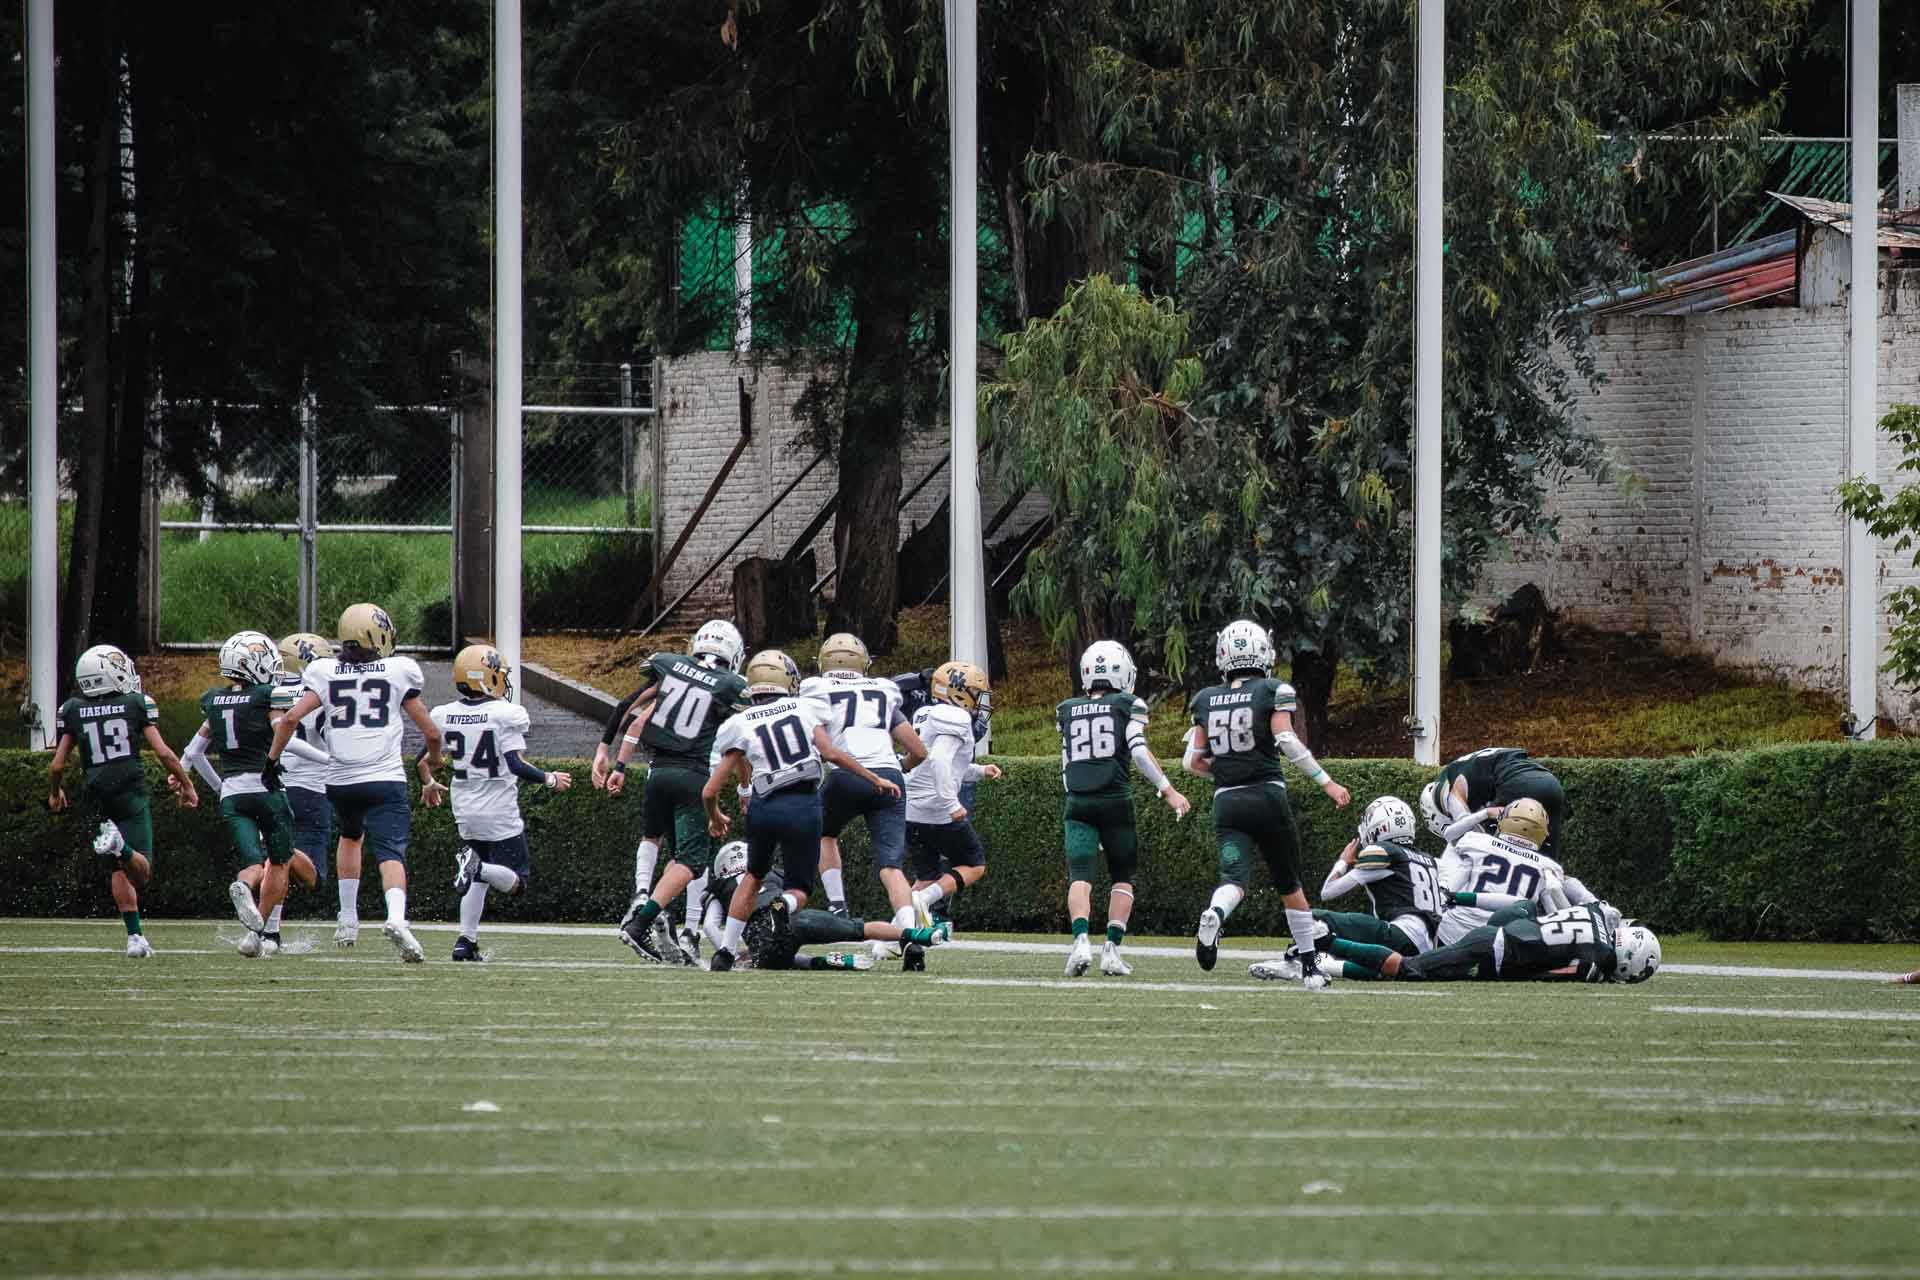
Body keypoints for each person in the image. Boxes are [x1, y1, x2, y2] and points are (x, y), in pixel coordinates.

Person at [700, 650, 903, 971]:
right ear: (788, 681)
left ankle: (725, 951)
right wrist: (874, 777)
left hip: (764, 806)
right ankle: (783, 904)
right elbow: (832, 754)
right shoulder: (806, 708)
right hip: (803, 805)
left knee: (752, 877)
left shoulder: (738, 723)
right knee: (800, 889)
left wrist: (715, 816)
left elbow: (709, 790)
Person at [1181, 619, 1351, 989]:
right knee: (1290, 885)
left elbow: (1191, 762)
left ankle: (1215, 913)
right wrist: (1327, 782)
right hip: (1267, 797)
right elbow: (1287, 740)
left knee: (1234, 879)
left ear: (1223, 654)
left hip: (1227, 803)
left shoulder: (1206, 698)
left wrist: (1227, 770)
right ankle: (1310, 969)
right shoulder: (1274, 689)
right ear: (1263, 651)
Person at [268, 602, 443, 962]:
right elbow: (431, 732)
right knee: (391, 852)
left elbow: (289, 721)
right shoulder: (399, 670)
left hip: (340, 782)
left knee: (350, 836)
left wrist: (271, 762)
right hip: (384, 778)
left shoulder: (324, 671)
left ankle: (347, 919)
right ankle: (397, 918)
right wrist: (434, 760)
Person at [609, 619, 750, 962]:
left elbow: (633, 714)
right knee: (692, 860)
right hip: (695, 776)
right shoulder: (732, 685)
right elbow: (741, 745)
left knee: (660, 844)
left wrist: (616, 762)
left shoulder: (671, 667)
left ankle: (646, 899)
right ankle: (654, 924)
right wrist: (745, 787)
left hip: (658, 771)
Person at [46, 644, 199, 957]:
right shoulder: (135, 703)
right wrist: (186, 784)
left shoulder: (72, 709)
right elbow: (164, 753)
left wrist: (55, 791)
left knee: (117, 870)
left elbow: (58, 764)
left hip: (95, 792)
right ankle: (122, 847)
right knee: (140, 871)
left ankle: (134, 937)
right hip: (129, 788)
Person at [422, 644, 572, 962]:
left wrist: (428, 782)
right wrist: (550, 778)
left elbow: (425, 760)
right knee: (518, 882)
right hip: (498, 811)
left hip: (464, 810)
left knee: (478, 879)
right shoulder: (505, 715)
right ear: (486, 677)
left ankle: (465, 942)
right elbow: (516, 765)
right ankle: (477, 867)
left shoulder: (444, 714)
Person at [181, 631, 326, 957]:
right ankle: (258, 933)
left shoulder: (214, 699)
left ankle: (245, 890)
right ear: (253, 665)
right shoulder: (266, 695)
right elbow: (286, 735)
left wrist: (218, 787)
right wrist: (328, 760)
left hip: (232, 795)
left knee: (253, 863)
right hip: (266, 789)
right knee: (279, 860)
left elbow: (193, 753)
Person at [1056, 640, 1190, 978]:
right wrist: (1168, 790)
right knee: (1123, 876)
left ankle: (1080, 942)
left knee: (1080, 876)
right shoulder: (1127, 704)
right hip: (1115, 801)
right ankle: (1111, 951)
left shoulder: (1067, 709)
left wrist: (1076, 796)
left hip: (1078, 802)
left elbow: (1065, 765)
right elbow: (1139, 752)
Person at [799, 632, 926, 936]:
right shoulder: (882, 692)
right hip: (889, 777)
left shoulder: (815, 689)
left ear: (823, 662)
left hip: (845, 775)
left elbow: (816, 743)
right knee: (891, 867)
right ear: (864, 663)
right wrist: (899, 767)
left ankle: (838, 905)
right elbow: (919, 751)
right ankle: (910, 933)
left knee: (825, 834)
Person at [1249, 795, 1443, 982]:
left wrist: (1342, 862)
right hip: (1426, 947)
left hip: (1401, 935)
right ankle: (1325, 965)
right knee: (1376, 965)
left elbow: (1328, 891)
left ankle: (1298, 961)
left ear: (1377, 827)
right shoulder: (1428, 859)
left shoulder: (1384, 853)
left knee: (1310, 918)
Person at [703, 842, 948, 971]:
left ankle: (820, 962)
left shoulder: (721, 886)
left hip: (764, 937)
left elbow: (710, 926)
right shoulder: (768, 873)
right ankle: (918, 935)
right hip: (798, 921)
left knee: (769, 958)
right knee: (859, 929)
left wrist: (729, 954)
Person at [1326, 898, 1661, 984]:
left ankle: (1328, 963)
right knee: (1405, 969)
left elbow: (1551, 901)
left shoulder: (1595, 912)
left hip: (1501, 934)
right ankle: (1326, 943)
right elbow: (1549, 976)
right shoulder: (1601, 956)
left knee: (1410, 971)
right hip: (1492, 951)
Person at [904, 662, 1002, 933]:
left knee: (926, 877)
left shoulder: (926, 712)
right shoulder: (955, 717)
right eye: (976, 693)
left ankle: (889, 939)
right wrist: (951, 803)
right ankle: (926, 899)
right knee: (973, 865)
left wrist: (980, 771)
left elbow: (945, 763)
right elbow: (939, 760)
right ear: (960, 692)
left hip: (910, 810)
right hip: (936, 810)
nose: (979, 700)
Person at [1433, 798, 1580, 946]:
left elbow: (1449, 835)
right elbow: (1556, 915)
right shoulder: (1547, 866)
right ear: (1542, 833)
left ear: (1504, 821)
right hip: (1501, 942)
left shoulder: (1479, 842)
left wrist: (1485, 813)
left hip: (1454, 929)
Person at [1418, 745, 1568, 857]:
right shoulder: (1462, 767)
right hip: (1551, 783)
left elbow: (1466, 825)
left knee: (1493, 855)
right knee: (1546, 865)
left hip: (1516, 784)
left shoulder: (1441, 792)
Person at [277, 632, 336, 892]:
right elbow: (331, 738)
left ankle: (271, 855)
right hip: (312, 791)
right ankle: (279, 851)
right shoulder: (321, 696)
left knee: (277, 869)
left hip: (274, 788)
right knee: (314, 877)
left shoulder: (270, 695)